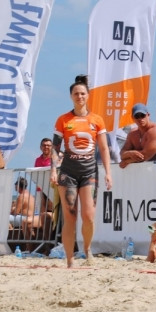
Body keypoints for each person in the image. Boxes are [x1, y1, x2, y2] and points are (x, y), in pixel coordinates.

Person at [51, 74, 113, 267]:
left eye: (82, 93)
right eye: (76, 94)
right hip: (68, 172)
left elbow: (103, 148)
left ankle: (87, 249)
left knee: (88, 216)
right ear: (71, 96)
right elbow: (55, 148)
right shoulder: (63, 119)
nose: (79, 97)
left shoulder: (97, 120)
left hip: (89, 173)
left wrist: (108, 173)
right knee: (70, 217)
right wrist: (54, 170)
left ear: (88, 96)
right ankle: (70, 259)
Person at [119, 103, 156, 167]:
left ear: (148, 115)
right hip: (143, 171)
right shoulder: (133, 133)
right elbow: (122, 154)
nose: (140, 119)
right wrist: (129, 153)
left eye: (142, 115)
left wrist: (127, 161)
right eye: (137, 116)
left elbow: (144, 156)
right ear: (132, 117)